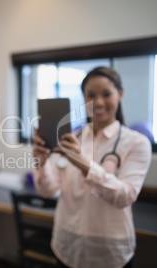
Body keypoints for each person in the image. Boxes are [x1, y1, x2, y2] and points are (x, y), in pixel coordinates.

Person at [32, 67, 151, 268]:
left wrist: (83, 163)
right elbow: (47, 190)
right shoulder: (71, 139)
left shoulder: (137, 143)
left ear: (120, 94)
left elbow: (125, 196)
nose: (99, 102)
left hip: (110, 254)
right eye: (91, 95)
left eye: (106, 94)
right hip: (67, 248)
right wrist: (41, 162)